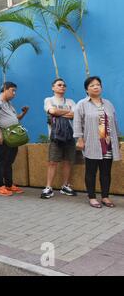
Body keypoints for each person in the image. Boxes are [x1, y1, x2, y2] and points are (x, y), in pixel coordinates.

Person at [74, 76, 122, 208]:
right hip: (92, 143)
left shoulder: (108, 103)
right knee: (91, 171)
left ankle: (105, 197)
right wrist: (79, 138)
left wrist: (117, 139)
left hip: (107, 143)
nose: (96, 87)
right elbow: (77, 122)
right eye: (92, 85)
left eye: (98, 85)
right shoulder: (82, 104)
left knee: (106, 172)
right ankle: (92, 197)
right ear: (86, 89)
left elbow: (115, 122)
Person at [0, 82, 29, 197]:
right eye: (12, 90)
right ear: (5, 89)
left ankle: (9, 185)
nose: (14, 93)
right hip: (3, 137)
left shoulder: (9, 104)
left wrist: (24, 113)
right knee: (1, 161)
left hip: (12, 137)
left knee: (9, 162)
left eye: (15, 91)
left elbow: (15, 119)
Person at [41, 79, 77, 199]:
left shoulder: (71, 101)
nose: (62, 87)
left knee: (68, 161)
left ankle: (65, 186)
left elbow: (76, 114)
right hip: (55, 136)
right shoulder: (49, 100)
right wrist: (67, 112)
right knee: (52, 162)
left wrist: (58, 112)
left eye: (64, 85)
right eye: (59, 85)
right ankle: (48, 187)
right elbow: (52, 110)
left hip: (70, 136)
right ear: (53, 87)